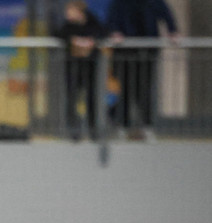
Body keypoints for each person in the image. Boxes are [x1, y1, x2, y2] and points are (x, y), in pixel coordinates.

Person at [106, 0, 179, 140]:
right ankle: (123, 126)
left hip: (147, 53)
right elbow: (111, 20)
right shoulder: (119, 3)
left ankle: (147, 126)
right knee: (126, 90)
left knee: (144, 91)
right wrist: (115, 33)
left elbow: (166, 14)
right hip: (125, 54)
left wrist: (173, 31)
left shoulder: (153, 2)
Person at [55, 1, 108, 141]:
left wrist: (91, 40)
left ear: (79, 11)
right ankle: (73, 130)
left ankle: (93, 130)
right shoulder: (68, 26)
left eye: (70, 11)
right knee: (71, 99)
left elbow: (103, 33)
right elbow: (58, 34)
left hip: (90, 67)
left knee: (91, 98)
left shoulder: (93, 22)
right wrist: (73, 40)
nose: (67, 14)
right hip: (72, 68)